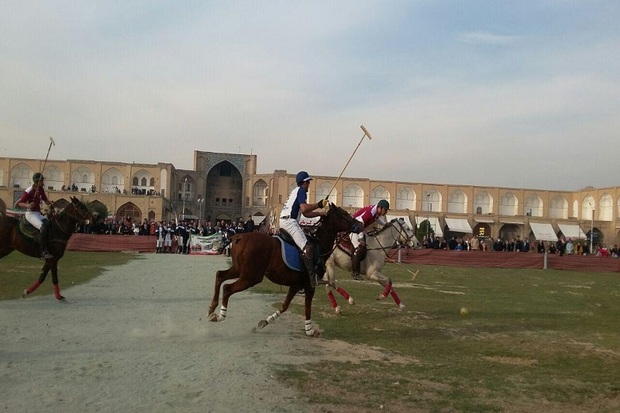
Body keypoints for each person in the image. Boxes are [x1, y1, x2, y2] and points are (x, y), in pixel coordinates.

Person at [279, 171, 328, 288]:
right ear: (304, 182)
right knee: (308, 248)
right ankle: (312, 279)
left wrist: (320, 213)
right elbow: (305, 208)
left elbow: (306, 214)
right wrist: (319, 204)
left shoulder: (295, 192)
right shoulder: (301, 191)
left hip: (284, 221)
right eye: (308, 182)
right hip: (289, 222)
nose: (309, 185)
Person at [15, 172, 54, 259]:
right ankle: (43, 251)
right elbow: (20, 203)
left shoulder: (41, 190)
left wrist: (51, 204)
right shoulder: (29, 191)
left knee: (50, 224)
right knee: (43, 227)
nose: (43, 182)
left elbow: (46, 200)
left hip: (38, 213)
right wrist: (28, 205)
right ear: (37, 182)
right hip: (30, 214)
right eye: (41, 181)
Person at [349, 199, 390, 280]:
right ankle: (355, 273)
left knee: (365, 248)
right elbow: (359, 223)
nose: (386, 212)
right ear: (380, 208)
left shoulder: (376, 212)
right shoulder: (370, 213)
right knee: (359, 249)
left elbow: (377, 219)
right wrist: (361, 239)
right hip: (354, 228)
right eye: (385, 210)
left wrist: (385, 224)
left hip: (360, 229)